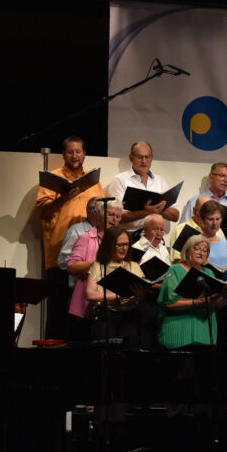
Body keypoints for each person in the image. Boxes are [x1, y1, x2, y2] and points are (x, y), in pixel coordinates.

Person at [36, 136, 106, 336]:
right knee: (58, 306)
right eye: (70, 152)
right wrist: (66, 197)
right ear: (63, 154)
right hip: (61, 253)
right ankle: (53, 351)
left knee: (85, 308)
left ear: (84, 154)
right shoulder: (52, 179)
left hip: (89, 256)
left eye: (78, 151)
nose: (74, 156)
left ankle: (80, 350)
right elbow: (42, 212)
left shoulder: (93, 182)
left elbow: (103, 212)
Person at [67, 200, 123, 339]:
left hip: (112, 307)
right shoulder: (86, 238)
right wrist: (97, 263)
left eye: (118, 216)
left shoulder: (121, 242)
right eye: (111, 214)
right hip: (87, 306)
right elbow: (72, 267)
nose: (114, 219)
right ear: (100, 215)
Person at [84, 226, 148, 346]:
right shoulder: (98, 266)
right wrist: (117, 295)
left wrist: (139, 297)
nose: (124, 248)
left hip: (130, 316)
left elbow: (140, 295)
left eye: (127, 244)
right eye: (120, 245)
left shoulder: (134, 266)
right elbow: (90, 294)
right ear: (109, 245)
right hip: (106, 316)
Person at [157, 235, 224, 349]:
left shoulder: (210, 273)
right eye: (197, 249)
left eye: (205, 250)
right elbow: (170, 303)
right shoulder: (175, 270)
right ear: (187, 251)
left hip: (204, 334)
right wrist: (197, 302)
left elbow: (215, 306)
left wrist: (225, 295)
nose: (201, 253)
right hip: (178, 333)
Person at [107, 141, 180, 230]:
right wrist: (145, 212)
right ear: (131, 158)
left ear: (151, 158)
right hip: (129, 235)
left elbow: (175, 216)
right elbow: (115, 217)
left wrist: (158, 209)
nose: (144, 161)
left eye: (147, 157)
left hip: (156, 234)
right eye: (139, 157)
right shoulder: (120, 180)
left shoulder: (160, 181)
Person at [180, 162, 227, 232]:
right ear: (211, 177)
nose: (226, 180)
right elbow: (182, 229)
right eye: (222, 176)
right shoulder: (195, 201)